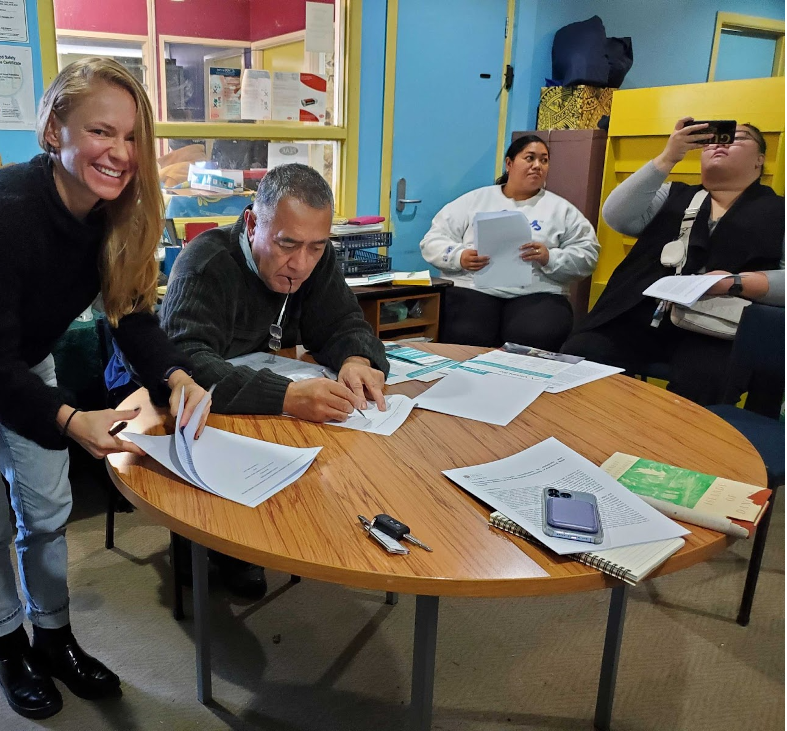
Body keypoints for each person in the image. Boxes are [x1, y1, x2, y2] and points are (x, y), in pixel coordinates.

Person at [0, 58, 212, 720]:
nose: (119, 154)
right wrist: (69, 419)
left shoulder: (118, 212)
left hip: (20, 360)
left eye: (131, 137)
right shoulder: (2, 212)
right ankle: (10, 648)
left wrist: (176, 376)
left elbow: (130, 312)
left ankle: (54, 636)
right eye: (101, 131)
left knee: (45, 511)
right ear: (52, 129)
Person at [106, 163, 389, 599]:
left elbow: (343, 321)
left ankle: (257, 534)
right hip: (153, 388)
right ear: (253, 222)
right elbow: (188, 365)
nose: (302, 264)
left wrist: (354, 357)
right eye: (287, 244)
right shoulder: (205, 263)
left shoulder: (314, 257)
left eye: (316, 247)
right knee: (212, 437)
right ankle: (201, 544)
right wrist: (287, 396)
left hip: (249, 377)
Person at [563, 119, 785, 404]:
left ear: (760, 160)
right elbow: (617, 216)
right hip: (643, 315)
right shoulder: (673, 194)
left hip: (717, 326)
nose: (720, 143)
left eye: (736, 138)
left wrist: (736, 283)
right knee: (583, 349)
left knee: (706, 381)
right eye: (713, 140)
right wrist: (669, 156)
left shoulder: (778, 212)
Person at [419, 135, 600, 351]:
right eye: (530, 158)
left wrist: (549, 257)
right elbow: (432, 240)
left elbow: (588, 254)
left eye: (544, 160)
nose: (537, 166)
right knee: (466, 332)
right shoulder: (474, 201)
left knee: (537, 334)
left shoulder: (562, 210)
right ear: (509, 163)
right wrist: (460, 256)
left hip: (538, 292)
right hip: (473, 288)